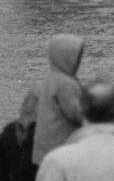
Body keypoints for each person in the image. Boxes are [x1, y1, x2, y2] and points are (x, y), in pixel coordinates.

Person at [30, 34, 85, 166]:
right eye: (77, 57)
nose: (79, 61)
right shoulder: (65, 83)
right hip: (61, 147)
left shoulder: (50, 78)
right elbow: (77, 114)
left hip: (45, 149)